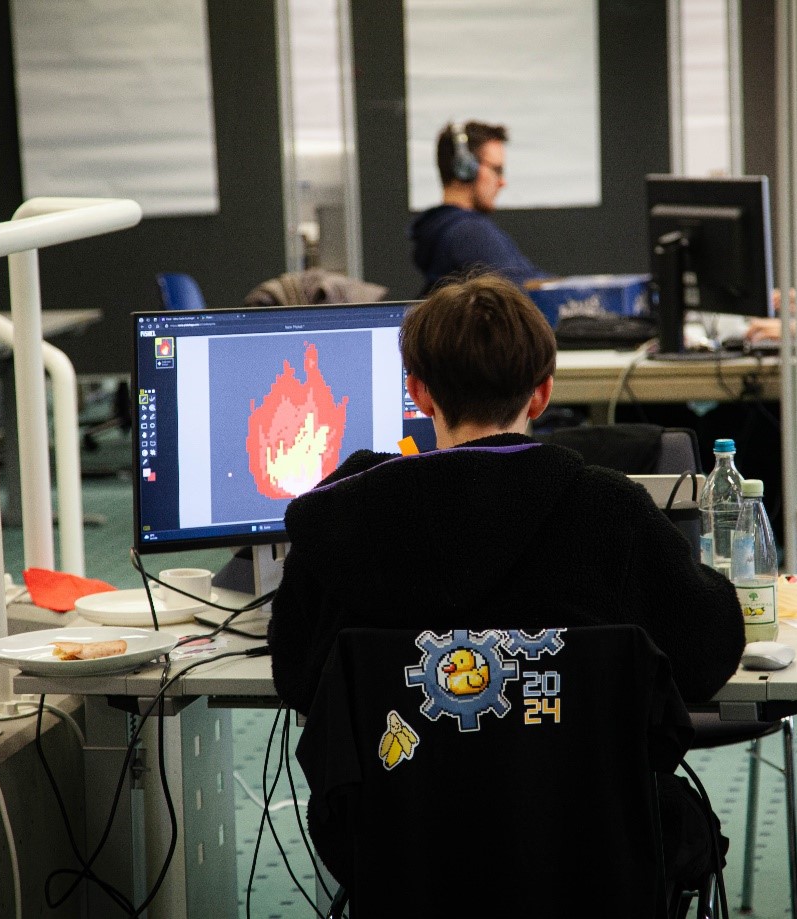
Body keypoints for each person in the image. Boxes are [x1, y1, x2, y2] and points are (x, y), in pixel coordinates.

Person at [268, 272, 745, 897]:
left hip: (403, 864)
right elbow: (708, 656)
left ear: (420, 393)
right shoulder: (609, 513)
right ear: (542, 394)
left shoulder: (347, 519)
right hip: (590, 864)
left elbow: (298, 677)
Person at [408, 120, 550, 296]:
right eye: (497, 170)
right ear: (465, 168)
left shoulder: (442, 228)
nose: (502, 181)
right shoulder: (468, 232)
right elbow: (531, 294)